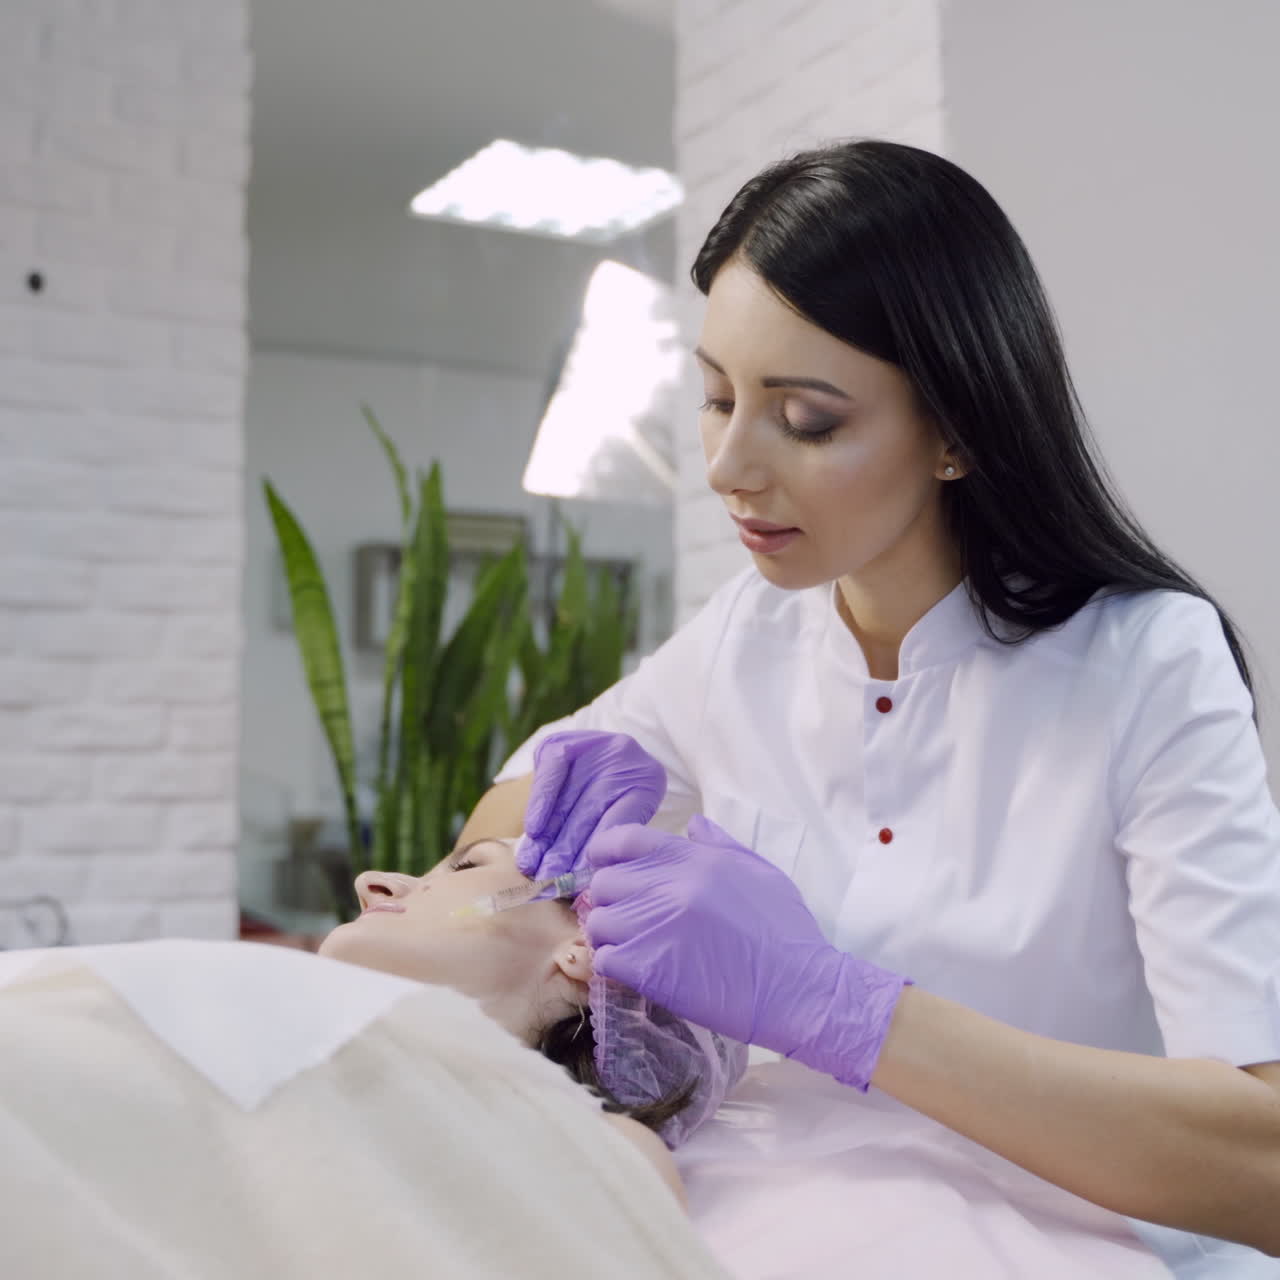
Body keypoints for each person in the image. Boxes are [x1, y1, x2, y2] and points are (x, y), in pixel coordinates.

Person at [458, 139, 1280, 1277]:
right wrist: (531, 854)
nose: (728, 466)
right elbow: (510, 802)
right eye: (714, 396)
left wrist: (836, 1005)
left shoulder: (1144, 662)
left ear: (957, 431)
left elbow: (1262, 1163)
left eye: (803, 419)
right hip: (783, 1214)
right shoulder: (747, 635)